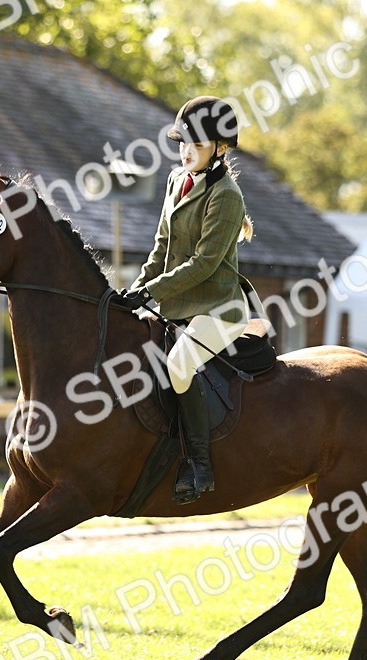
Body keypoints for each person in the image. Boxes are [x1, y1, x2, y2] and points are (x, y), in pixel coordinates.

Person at [120, 95, 255, 505]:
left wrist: (152, 291)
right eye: (183, 143)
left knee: (179, 366)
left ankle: (201, 465)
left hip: (219, 310)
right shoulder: (175, 181)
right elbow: (162, 247)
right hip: (177, 307)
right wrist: (136, 289)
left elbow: (205, 264)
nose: (187, 152)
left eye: (196, 145)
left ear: (221, 147)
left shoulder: (227, 195)